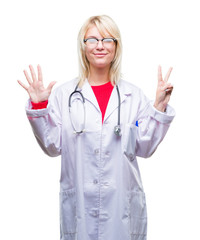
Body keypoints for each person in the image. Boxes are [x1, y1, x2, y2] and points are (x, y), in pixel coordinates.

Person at [17, 15, 175, 240]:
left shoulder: (133, 96)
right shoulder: (65, 95)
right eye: (92, 40)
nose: (100, 46)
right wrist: (39, 105)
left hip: (122, 209)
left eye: (107, 39)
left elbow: (145, 147)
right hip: (80, 209)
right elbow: (52, 146)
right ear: (83, 47)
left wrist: (159, 106)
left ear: (116, 46)